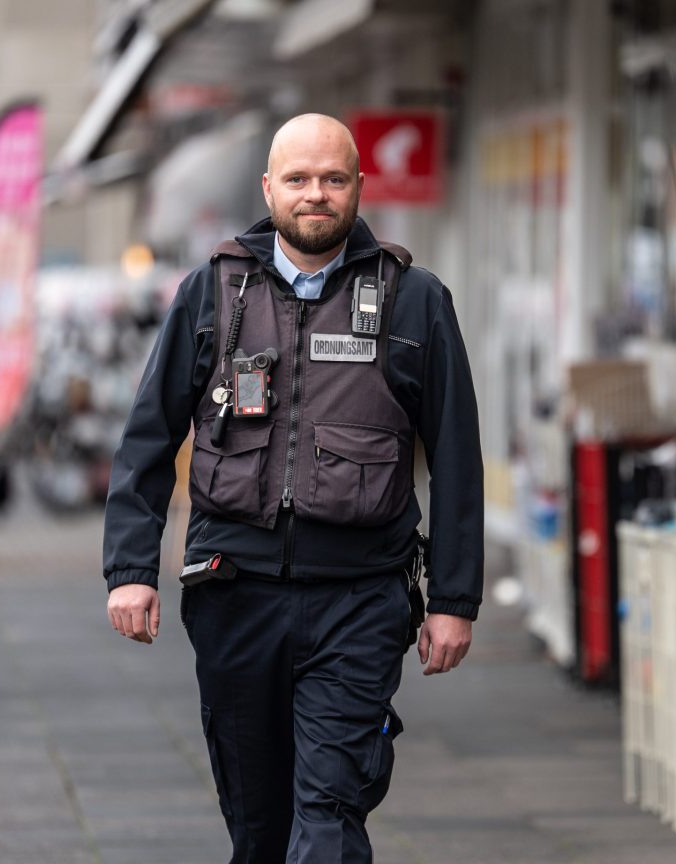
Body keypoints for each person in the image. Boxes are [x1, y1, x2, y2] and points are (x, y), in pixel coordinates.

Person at [102, 114, 484, 863]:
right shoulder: (210, 291)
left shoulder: (414, 299)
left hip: (360, 601)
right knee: (258, 824)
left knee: (329, 810)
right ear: (269, 187)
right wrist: (130, 570)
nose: (317, 194)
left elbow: (457, 454)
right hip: (233, 594)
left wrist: (453, 600)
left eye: (334, 179)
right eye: (301, 179)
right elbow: (148, 436)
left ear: (358, 189)